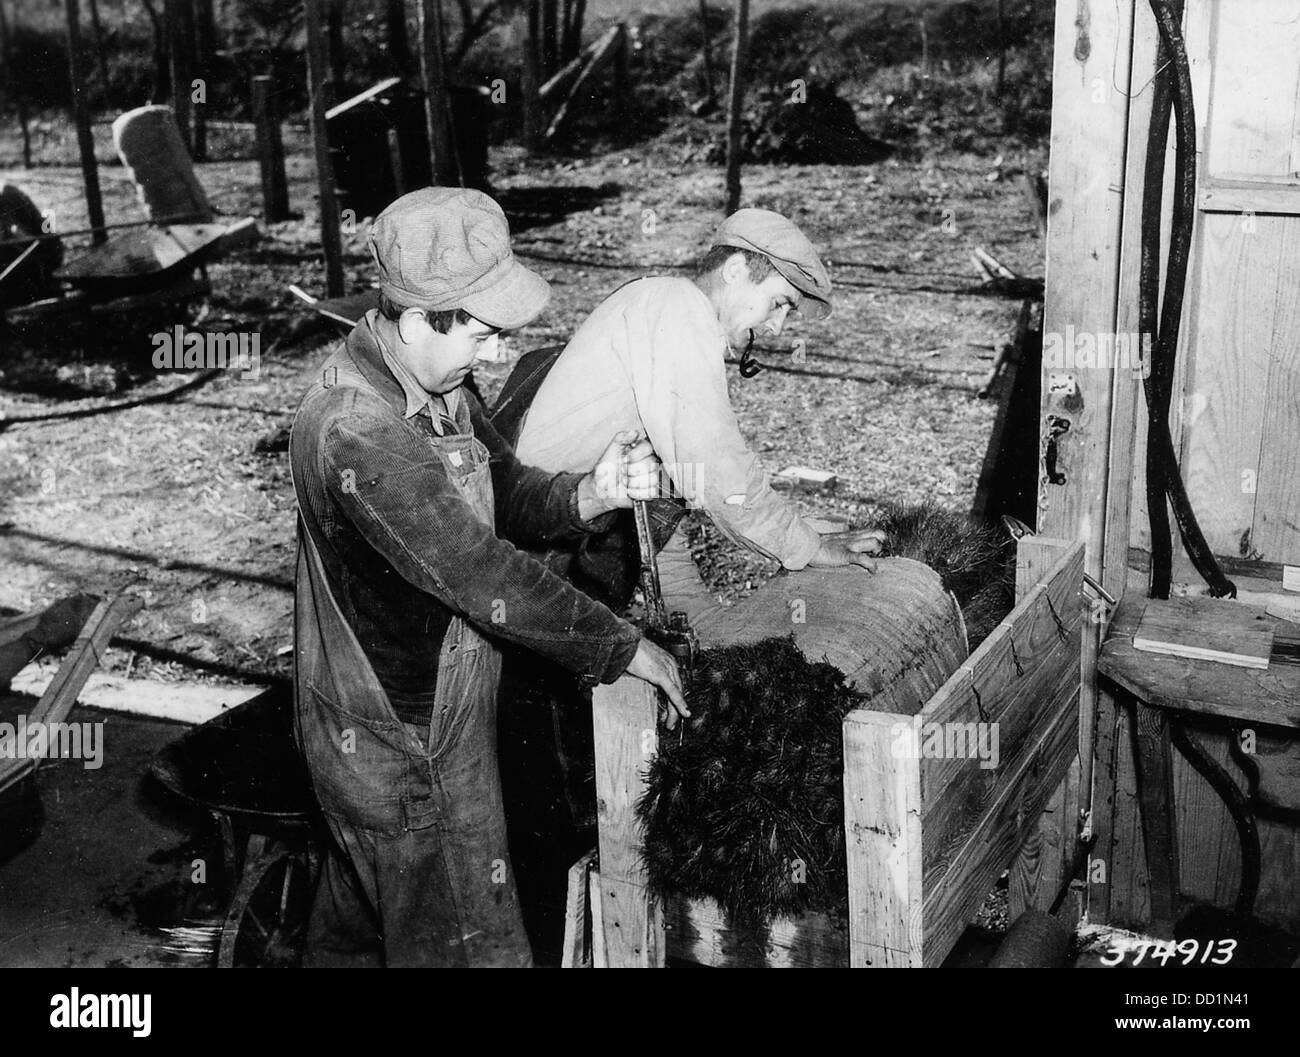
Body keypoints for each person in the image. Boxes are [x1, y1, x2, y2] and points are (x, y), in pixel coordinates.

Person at [289, 186, 687, 969]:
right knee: (473, 948)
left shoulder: (436, 387)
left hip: (400, 731)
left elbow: (501, 493)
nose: (498, 355)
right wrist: (623, 646)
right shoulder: (358, 432)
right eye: (486, 333)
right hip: (407, 750)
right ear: (415, 320)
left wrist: (589, 493)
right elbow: (483, 570)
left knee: (359, 937)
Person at [490, 207, 885, 952]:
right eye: (777, 304)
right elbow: (720, 470)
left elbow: (687, 496)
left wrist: (801, 538)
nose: (769, 329)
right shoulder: (678, 313)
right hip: (535, 569)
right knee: (561, 804)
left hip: (563, 559)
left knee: (569, 790)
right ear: (737, 268)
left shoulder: (661, 313)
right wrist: (805, 546)